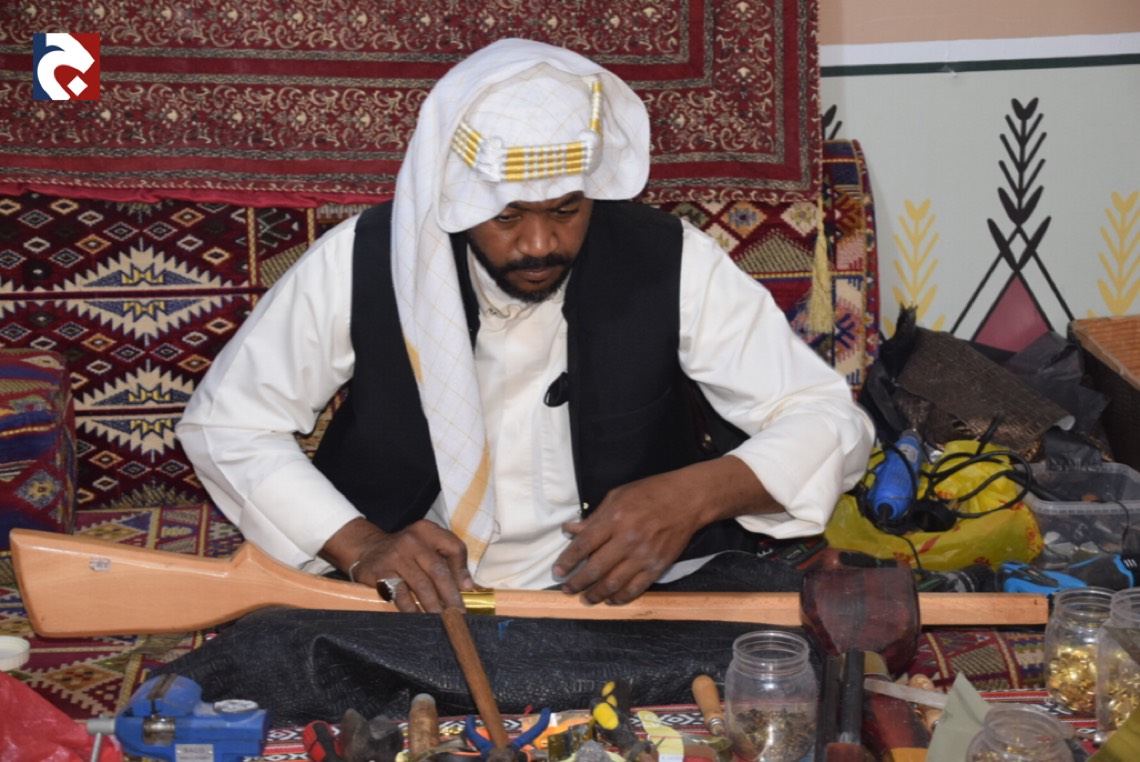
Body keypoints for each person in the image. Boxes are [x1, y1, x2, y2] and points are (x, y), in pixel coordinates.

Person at [176, 38, 874, 615]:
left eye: (566, 210)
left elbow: (829, 423)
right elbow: (226, 425)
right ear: (455, 195)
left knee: (778, 670)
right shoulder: (363, 259)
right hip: (409, 604)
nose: (540, 244)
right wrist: (360, 546)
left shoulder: (669, 258)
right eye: (507, 215)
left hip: (630, 600)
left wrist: (694, 495)